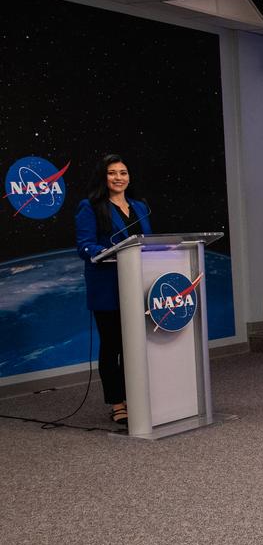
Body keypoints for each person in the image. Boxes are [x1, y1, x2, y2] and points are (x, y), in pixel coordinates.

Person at [74, 154, 153, 426]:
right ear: (103, 177)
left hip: (138, 286)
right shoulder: (91, 206)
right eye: (112, 173)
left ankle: (137, 398)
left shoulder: (140, 206)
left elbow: (146, 242)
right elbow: (84, 245)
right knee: (113, 346)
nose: (118, 177)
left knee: (136, 345)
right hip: (107, 287)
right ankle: (117, 403)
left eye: (123, 172)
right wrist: (107, 252)